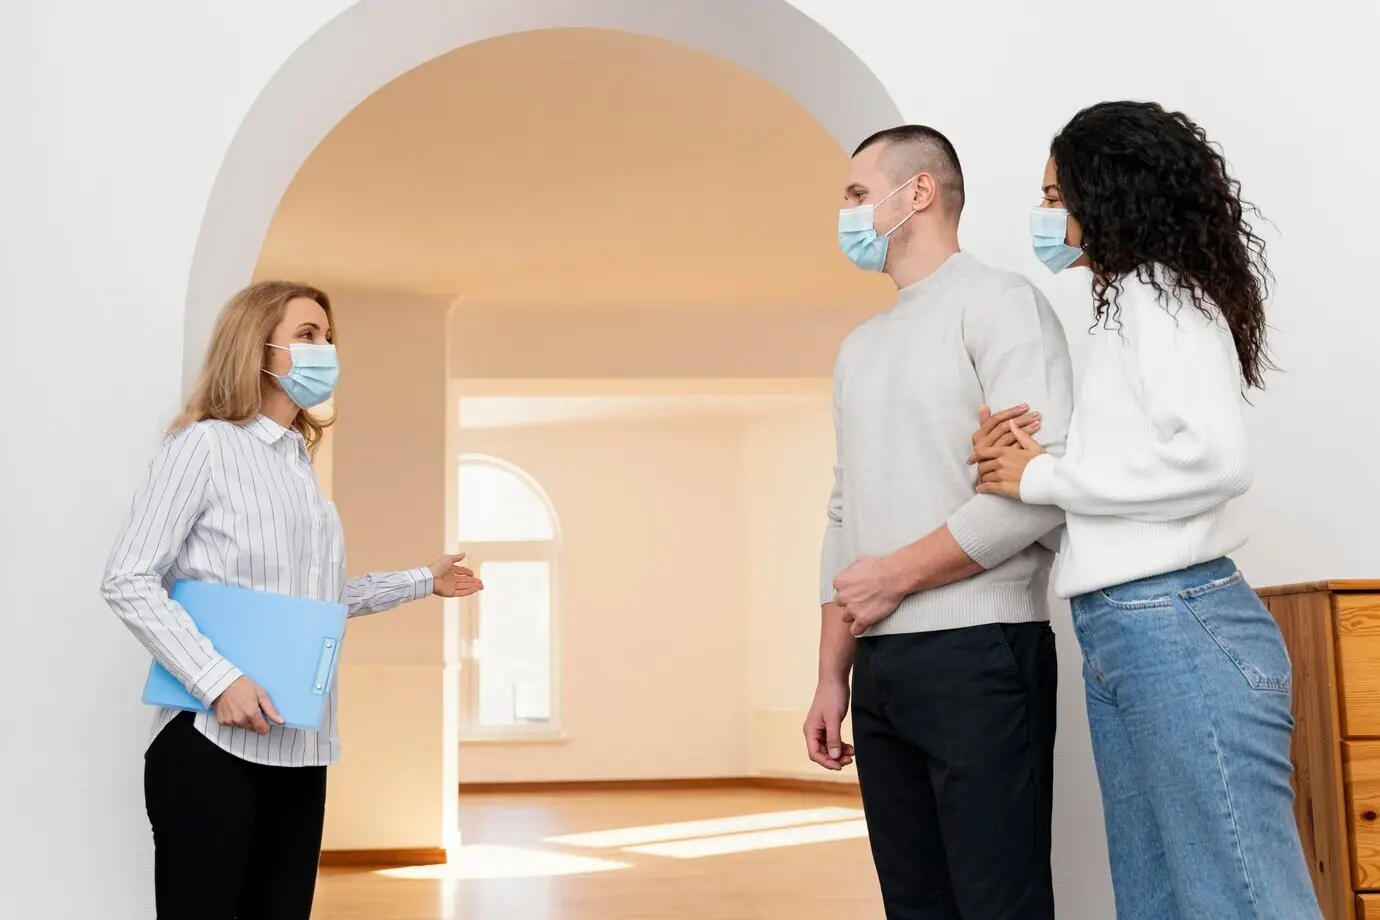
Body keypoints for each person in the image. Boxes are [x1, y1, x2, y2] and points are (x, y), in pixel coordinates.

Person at [973, 101, 1322, 920]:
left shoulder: (1157, 294)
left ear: (1110, 194)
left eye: (1058, 198)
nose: (1046, 216)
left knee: (1239, 896)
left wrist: (1044, 479)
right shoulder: (1136, 303)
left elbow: (1214, 458)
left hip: (1175, 626)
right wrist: (1037, 462)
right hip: (1131, 628)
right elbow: (1154, 457)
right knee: (1161, 898)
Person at [100, 281, 484, 920]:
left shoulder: (299, 471)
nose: (324, 349)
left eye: (328, 337)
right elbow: (128, 577)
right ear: (257, 348)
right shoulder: (206, 446)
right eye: (307, 335)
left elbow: (318, 602)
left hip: (302, 749)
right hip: (211, 745)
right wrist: (219, 680)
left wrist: (424, 579)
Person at [804, 125, 1075, 920]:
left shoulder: (1001, 304)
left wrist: (894, 576)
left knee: (999, 903)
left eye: (857, 194)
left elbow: (1035, 490)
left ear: (916, 192)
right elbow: (843, 513)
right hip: (881, 667)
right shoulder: (859, 348)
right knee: (915, 904)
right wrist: (831, 674)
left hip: (983, 657)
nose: (848, 213)